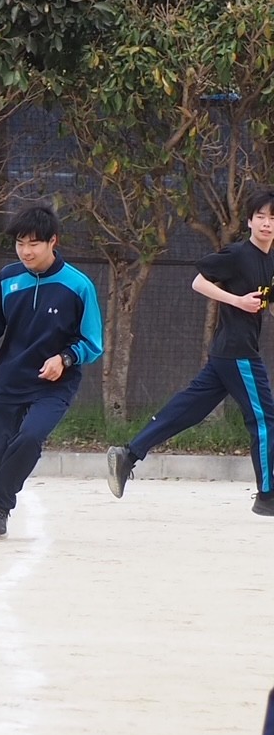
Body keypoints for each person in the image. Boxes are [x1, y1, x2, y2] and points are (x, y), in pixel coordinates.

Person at [107, 187, 274, 514]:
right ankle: (267, 496)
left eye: (272, 218)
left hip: (230, 351)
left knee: (188, 410)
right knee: (266, 420)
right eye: (261, 217)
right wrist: (236, 300)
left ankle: (128, 455)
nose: (267, 223)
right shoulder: (238, 254)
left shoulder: (271, 259)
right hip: (238, 352)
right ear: (250, 221)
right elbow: (198, 282)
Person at [0, 203, 103, 538]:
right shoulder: (8, 278)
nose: (26, 251)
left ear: (53, 241)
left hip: (54, 385)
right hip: (10, 379)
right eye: (20, 243)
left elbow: (93, 341)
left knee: (28, 438)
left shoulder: (78, 286)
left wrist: (65, 359)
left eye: (34, 243)